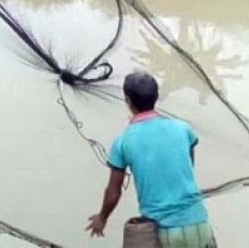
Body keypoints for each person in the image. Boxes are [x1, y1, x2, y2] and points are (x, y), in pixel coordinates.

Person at [85, 72, 215, 247]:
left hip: (164, 231)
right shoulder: (183, 129)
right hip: (200, 225)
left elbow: (113, 191)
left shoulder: (123, 141)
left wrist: (102, 217)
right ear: (156, 97)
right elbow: (188, 166)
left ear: (128, 101)